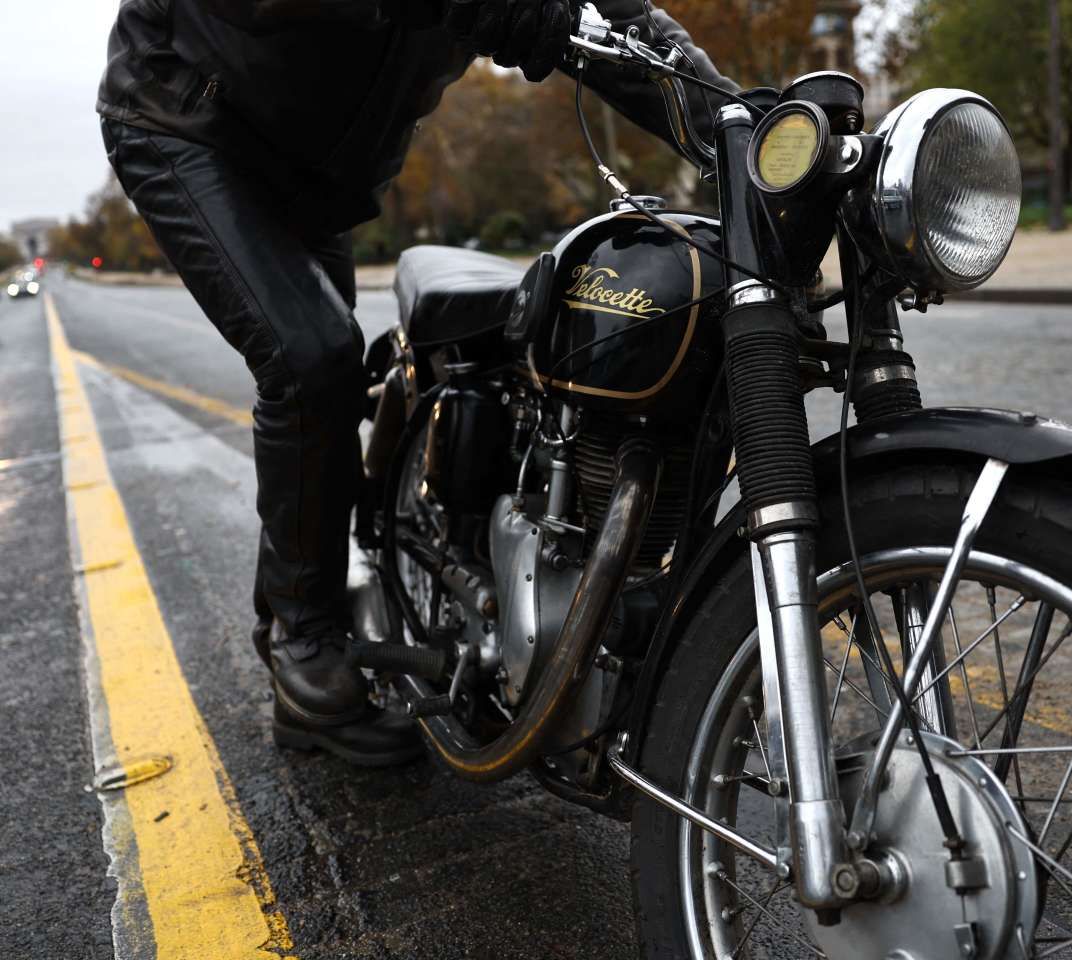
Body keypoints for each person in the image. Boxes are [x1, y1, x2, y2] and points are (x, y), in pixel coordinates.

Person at [97, 0, 734, 765]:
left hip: (320, 171)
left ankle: (293, 617)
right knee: (312, 361)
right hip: (185, 117)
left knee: (330, 398)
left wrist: (746, 131)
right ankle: (305, 652)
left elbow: (633, 32)